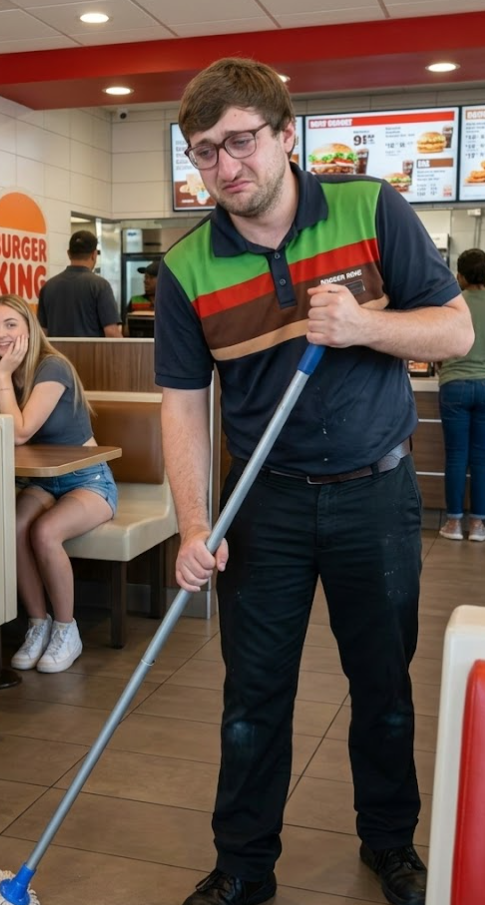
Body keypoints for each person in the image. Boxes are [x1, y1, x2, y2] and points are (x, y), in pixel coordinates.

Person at [154, 58, 473, 905]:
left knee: (383, 684)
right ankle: (243, 865)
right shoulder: (186, 268)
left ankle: (390, 843)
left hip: (376, 493)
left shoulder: (371, 207)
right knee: (252, 695)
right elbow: (182, 407)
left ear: (285, 135)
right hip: (263, 504)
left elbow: (454, 332)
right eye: (204, 152)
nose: (224, 166)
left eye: (239, 141)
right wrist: (195, 524)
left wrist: (363, 323)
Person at [0, 295, 117, 673]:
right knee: (13, 528)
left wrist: (3, 376)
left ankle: (66, 629)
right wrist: (2, 375)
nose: (1, 334)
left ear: (29, 327)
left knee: (45, 532)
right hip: (41, 481)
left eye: (10, 324)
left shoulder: (51, 366)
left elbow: (20, 433)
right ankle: (37, 624)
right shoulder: (1, 372)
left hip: (88, 479)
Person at [437, 248, 485, 542]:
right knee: (481, 458)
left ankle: (454, 524)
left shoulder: (451, 303)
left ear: (460, 276)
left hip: (454, 385)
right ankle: (478, 525)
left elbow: (436, 344)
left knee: (456, 456)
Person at [37, 231, 122, 338]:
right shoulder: (100, 286)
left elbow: (42, 333)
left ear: (69, 254)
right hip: (91, 350)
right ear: (94, 255)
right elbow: (111, 333)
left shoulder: (48, 287)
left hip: (55, 349)